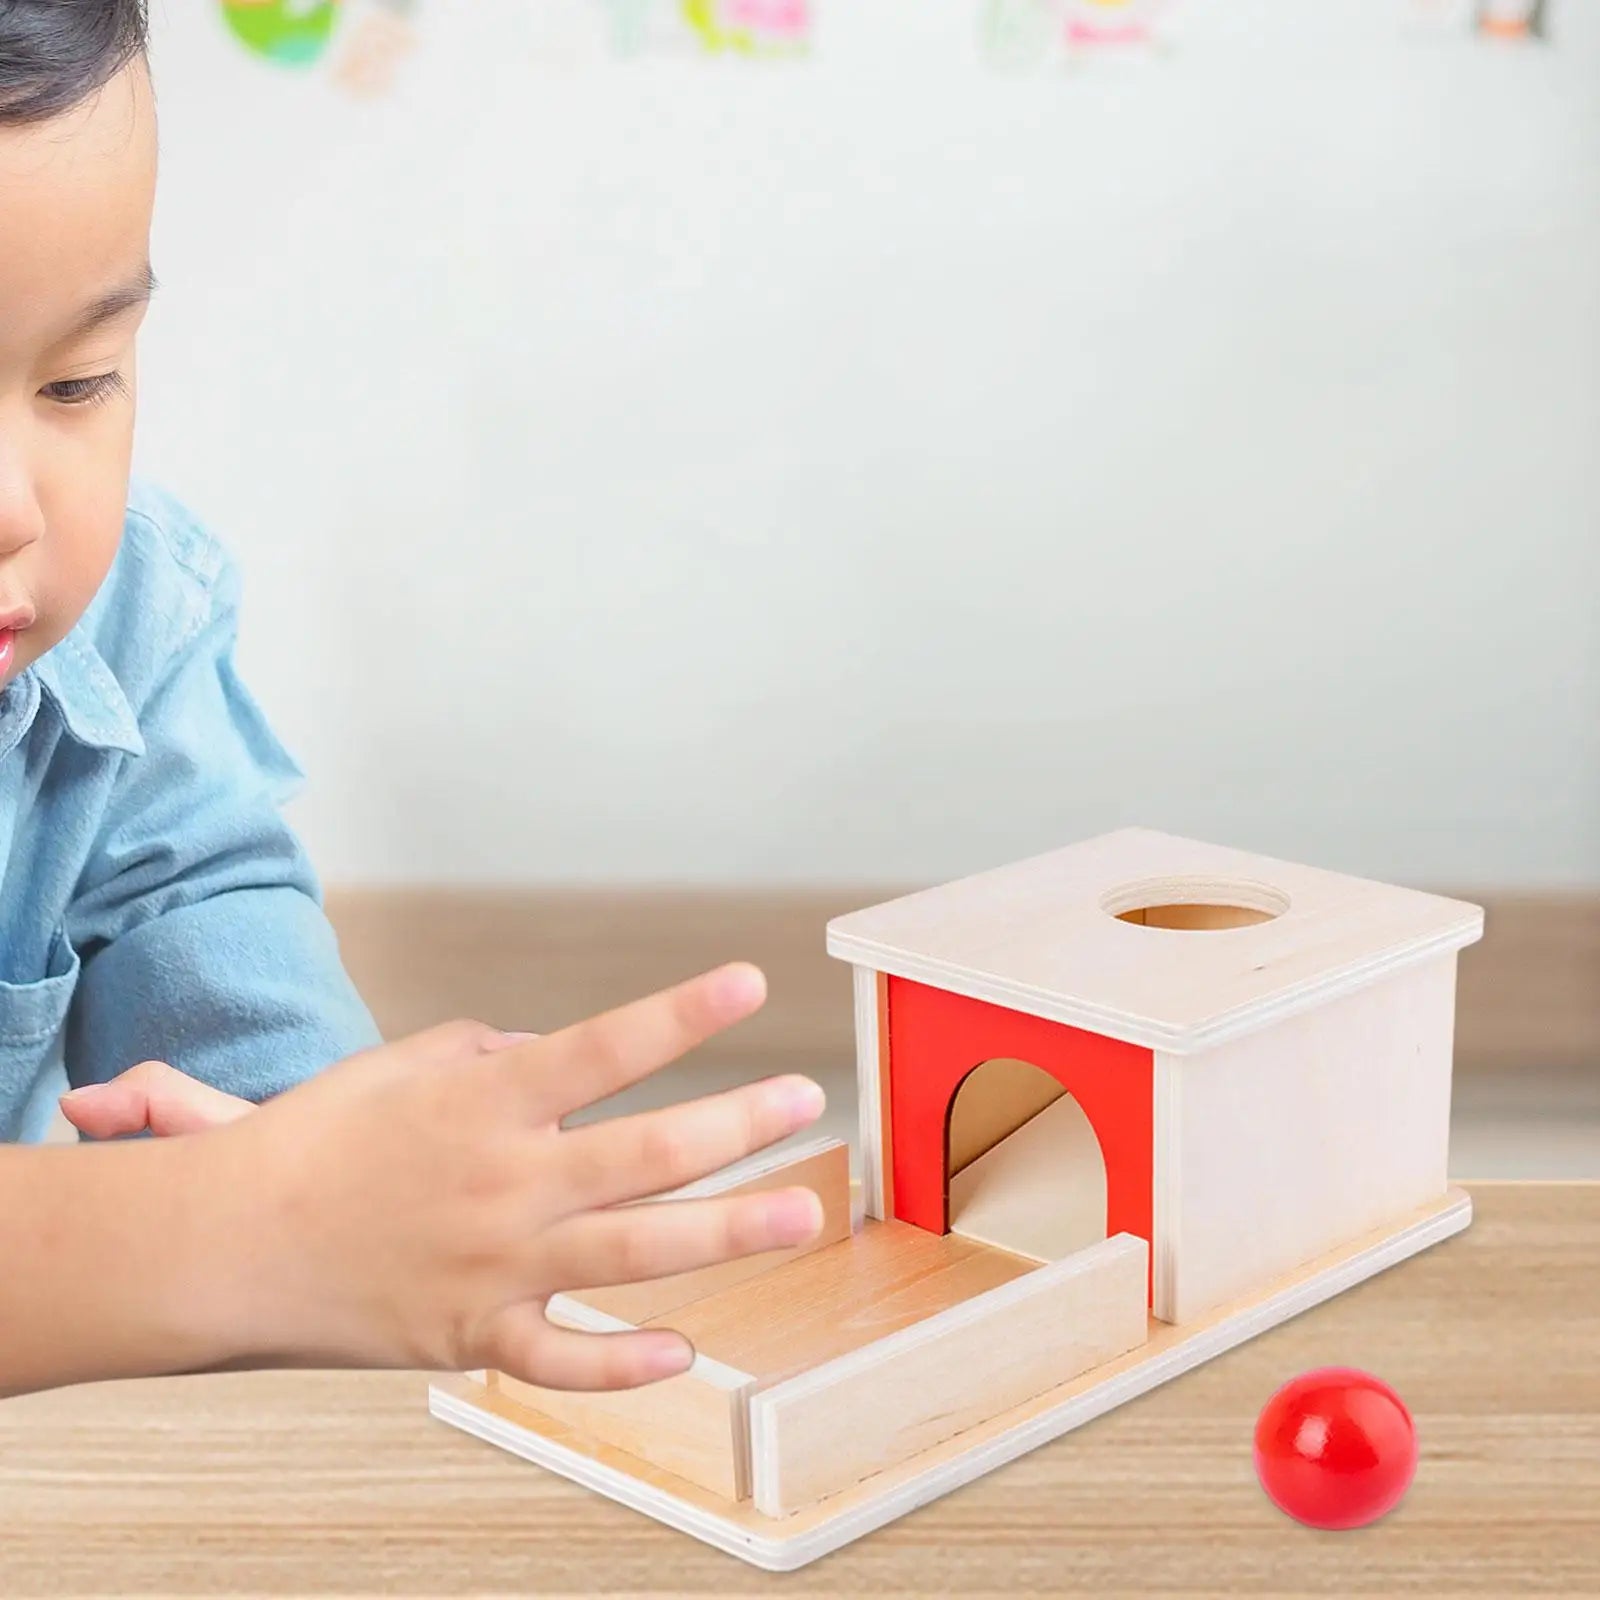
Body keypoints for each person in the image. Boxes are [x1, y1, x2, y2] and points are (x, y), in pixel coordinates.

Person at [0, 1, 826, 1401]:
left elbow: (195, 908)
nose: (18, 514)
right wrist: (246, 1232)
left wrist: (352, 1161)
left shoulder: (124, 618)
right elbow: (249, 1231)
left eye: (78, 382)